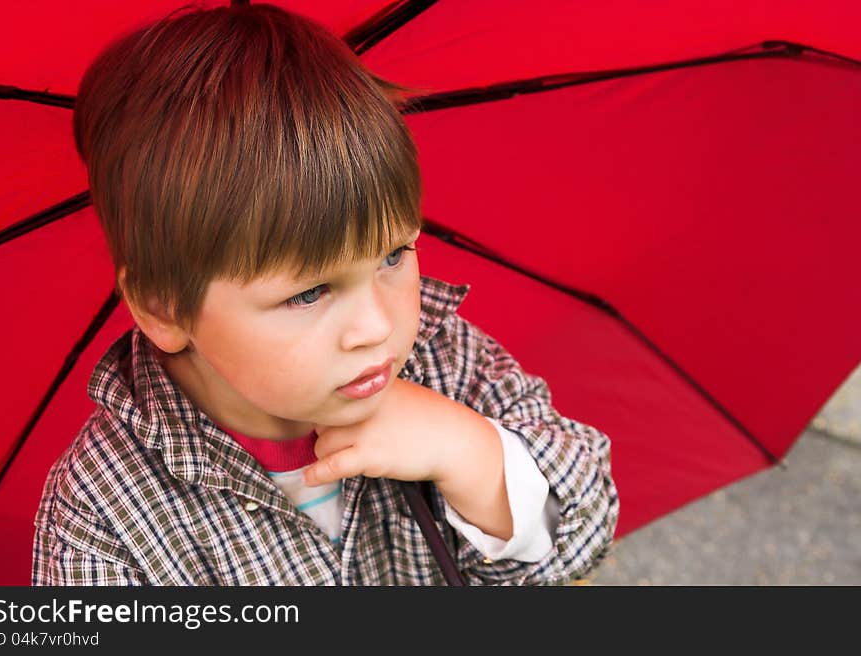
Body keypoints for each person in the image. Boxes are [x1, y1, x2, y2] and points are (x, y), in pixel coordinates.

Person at [31, 3, 619, 586]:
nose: (376, 327)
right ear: (163, 304)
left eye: (393, 256)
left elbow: (586, 526)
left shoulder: (445, 363)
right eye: (309, 293)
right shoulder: (107, 520)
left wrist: (470, 454)